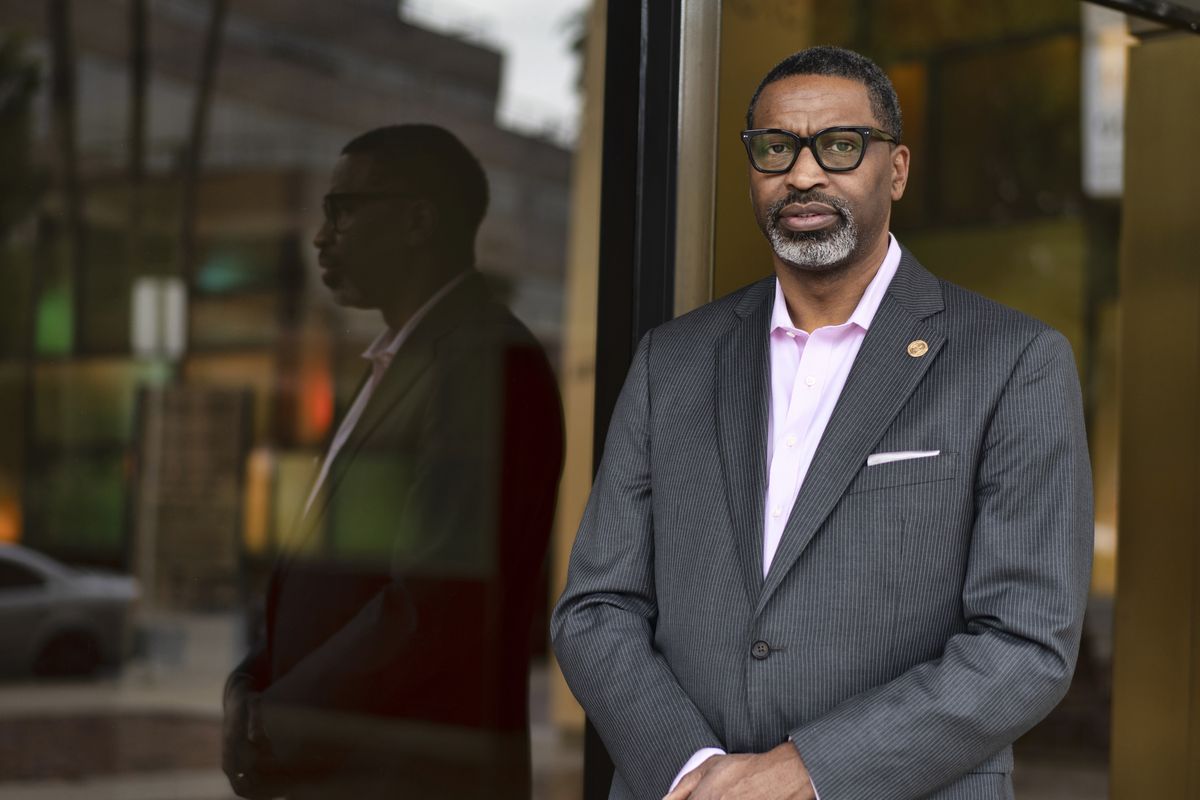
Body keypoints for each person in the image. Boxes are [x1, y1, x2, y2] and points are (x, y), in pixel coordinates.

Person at [552, 46, 1092, 800]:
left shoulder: (1013, 362)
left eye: (839, 146)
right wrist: (691, 775)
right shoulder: (671, 361)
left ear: (895, 170)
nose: (803, 173)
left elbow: (1025, 644)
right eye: (776, 148)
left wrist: (804, 773)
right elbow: (596, 608)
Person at [222, 124, 564, 800]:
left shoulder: (484, 360)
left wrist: (281, 720)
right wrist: (250, 682)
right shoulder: (402, 361)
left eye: (342, 209)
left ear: (416, 221)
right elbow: (343, 571)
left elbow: (437, 603)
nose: (322, 235)